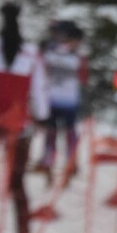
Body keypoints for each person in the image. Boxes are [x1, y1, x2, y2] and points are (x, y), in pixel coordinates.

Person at [0, 2, 49, 233]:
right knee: (18, 184)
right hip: (20, 126)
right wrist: (41, 116)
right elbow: (39, 93)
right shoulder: (31, 54)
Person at [37, 20, 88, 185]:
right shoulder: (77, 57)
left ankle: (53, 166)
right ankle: (64, 166)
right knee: (65, 135)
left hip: (56, 101)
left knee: (55, 135)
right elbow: (84, 78)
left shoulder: (51, 51)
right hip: (65, 102)